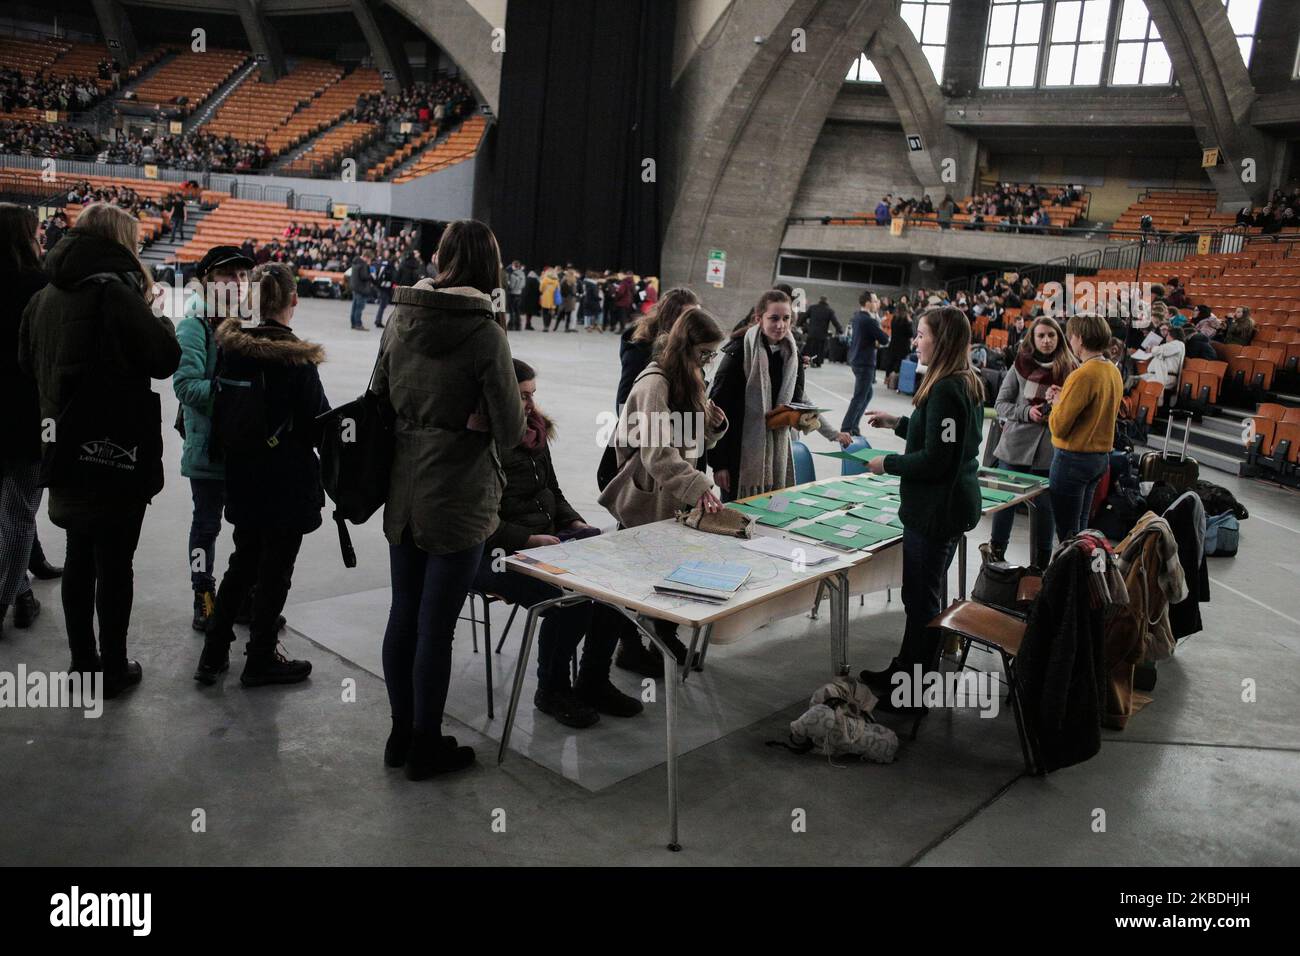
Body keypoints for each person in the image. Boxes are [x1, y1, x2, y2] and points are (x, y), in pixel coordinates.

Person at [372, 219, 525, 780]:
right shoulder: (485, 331)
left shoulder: (400, 316)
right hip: (459, 496)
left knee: (403, 614)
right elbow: (511, 430)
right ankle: (426, 746)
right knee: (437, 627)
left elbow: (376, 398)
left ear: (441, 259)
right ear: (490, 266)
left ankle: (399, 734)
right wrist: (473, 418)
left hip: (404, 490)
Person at [18, 202, 181, 697]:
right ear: (119, 243)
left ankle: (83, 665)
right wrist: (162, 320)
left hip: (60, 446)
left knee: (79, 557)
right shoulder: (114, 293)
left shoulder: (44, 296)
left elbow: (27, 363)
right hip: (114, 451)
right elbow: (164, 358)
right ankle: (112, 667)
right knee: (115, 564)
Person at [473, 359, 643, 727]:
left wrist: (574, 521)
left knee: (616, 589)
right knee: (571, 605)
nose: (531, 404)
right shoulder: (479, 441)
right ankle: (551, 690)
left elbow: (552, 489)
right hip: (493, 554)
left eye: (533, 394)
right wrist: (528, 538)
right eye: (521, 396)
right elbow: (476, 520)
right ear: (499, 397)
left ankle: (593, 682)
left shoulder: (535, 431)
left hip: (547, 540)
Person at [193, 264, 328, 687]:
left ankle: (213, 653)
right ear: (293, 301)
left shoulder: (234, 348)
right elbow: (317, 422)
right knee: (276, 572)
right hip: (286, 479)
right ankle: (261, 657)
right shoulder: (297, 359)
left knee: (242, 563)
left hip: (243, 474)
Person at [857, 307, 985, 713]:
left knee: (922, 603)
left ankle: (911, 695)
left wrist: (886, 464)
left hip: (936, 511)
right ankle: (903, 671)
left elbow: (937, 460)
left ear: (941, 340)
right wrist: (899, 423)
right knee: (919, 598)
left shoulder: (948, 388)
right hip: (945, 507)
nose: (916, 342)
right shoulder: (961, 382)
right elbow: (943, 438)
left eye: (922, 335)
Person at [598, 307, 728, 670]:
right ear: (684, 346)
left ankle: (662, 641)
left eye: (712, 354)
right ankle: (628, 649)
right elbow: (657, 451)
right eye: (704, 353)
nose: (708, 361)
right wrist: (699, 486)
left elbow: (690, 442)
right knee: (632, 582)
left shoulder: (690, 377)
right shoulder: (654, 382)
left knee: (673, 576)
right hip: (647, 497)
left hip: (675, 494)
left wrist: (713, 426)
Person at [173, 245, 254, 633]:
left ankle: (240, 596)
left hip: (243, 449)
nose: (237, 283)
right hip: (208, 448)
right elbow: (186, 386)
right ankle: (202, 593)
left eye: (242, 276)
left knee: (248, 526)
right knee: (206, 527)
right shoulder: (194, 323)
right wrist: (232, 396)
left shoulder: (245, 322)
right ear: (207, 279)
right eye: (228, 275)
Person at [709, 289, 850, 502]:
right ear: (759, 318)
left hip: (776, 456)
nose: (780, 325)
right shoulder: (738, 354)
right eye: (773, 318)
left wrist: (833, 434)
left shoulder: (791, 356)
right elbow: (717, 410)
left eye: (786, 318)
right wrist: (719, 464)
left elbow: (799, 402)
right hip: (738, 457)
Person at [985, 316, 1077, 569]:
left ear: (1059, 338)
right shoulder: (1020, 365)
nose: (1046, 340)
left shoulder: (1072, 368)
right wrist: (1027, 413)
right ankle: (995, 558)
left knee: (1045, 511)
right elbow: (1001, 404)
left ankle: (1040, 566)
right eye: (1041, 335)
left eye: (1051, 335)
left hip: (1050, 449)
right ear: (1033, 339)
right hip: (1015, 447)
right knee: (1005, 505)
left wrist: (1058, 408)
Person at [0, 203, 49, 640]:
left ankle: (21, 594)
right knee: (18, 513)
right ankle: (7, 599)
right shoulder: (39, 286)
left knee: (8, 513)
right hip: (25, 413)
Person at [1045, 313, 1123, 541]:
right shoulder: (1112, 370)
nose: (1069, 341)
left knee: (1068, 535)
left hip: (1073, 459)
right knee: (1081, 530)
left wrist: (1056, 403)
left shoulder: (1083, 374)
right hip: (1099, 459)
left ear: (1079, 338)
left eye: (1071, 336)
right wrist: (1065, 397)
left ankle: (1069, 576)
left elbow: (1059, 426)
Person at [616, 286, 698, 411]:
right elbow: (623, 405)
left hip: (680, 427)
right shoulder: (639, 352)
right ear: (670, 318)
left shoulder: (689, 347)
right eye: (685, 317)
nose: (691, 323)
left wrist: (712, 419)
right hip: (653, 426)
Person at [842, 291, 890, 433]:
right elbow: (884, 339)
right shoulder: (869, 320)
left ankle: (854, 426)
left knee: (867, 394)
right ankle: (847, 427)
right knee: (860, 396)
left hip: (857, 360)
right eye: (875, 301)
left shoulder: (858, 317)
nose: (877, 304)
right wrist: (878, 323)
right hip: (864, 362)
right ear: (868, 303)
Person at [1141, 321, 1186, 394]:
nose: (1166, 337)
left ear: (1172, 335)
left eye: (1168, 334)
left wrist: (1151, 349)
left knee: (1141, 385)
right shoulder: (1169, 344)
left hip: (1166, 376)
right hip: (1155, 375)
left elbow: (1161, 350)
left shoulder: (1178, 344)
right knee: (1133, 379)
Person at [801, 295, 842, 367]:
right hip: (822, 335)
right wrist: (840, 330)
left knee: (811, 348)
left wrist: (800, 325)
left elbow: (804, 317)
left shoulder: (812, 308)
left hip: (812, 333)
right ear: (827, 301)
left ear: (819, 300)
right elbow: (835, 322)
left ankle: (811, 361)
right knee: (820, 350)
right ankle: (818, 362)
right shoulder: (829, 310)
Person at [883, 301, 913, 387]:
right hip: (903, 345)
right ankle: (895, 381)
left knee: (891, 361)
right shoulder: (907, 321)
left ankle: (887, 378)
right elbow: (910, 334)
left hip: (894, 343)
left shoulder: (894, 319)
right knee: (900, 363)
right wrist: (910, 322)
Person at [348, 253, 373, 330]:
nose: (370, 261)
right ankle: (358, 324)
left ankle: (353, 323)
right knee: (359, 307)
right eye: (369, 259)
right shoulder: (363, 264)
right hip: (361, 289)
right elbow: (364, 276)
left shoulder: (355, 262)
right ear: (366, 257)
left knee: (354, 307)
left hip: (355, 288)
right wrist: (371, 274)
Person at [374, 256, 396, 328]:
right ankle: (378, 321)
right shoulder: (391, 267)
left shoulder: (384, 264)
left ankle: (378, 320)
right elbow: (393, 277)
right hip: (385, 288)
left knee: (382, 305)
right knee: (382, 305)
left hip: (381, 286)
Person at [539, 267, 559, 331]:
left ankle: (545, 326)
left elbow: (540, 289)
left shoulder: (545, 280)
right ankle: (548, 326)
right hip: (553, 299)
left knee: (544, 313)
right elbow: (558, 290)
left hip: (545, 298)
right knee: (550, 313)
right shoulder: (556, 281)